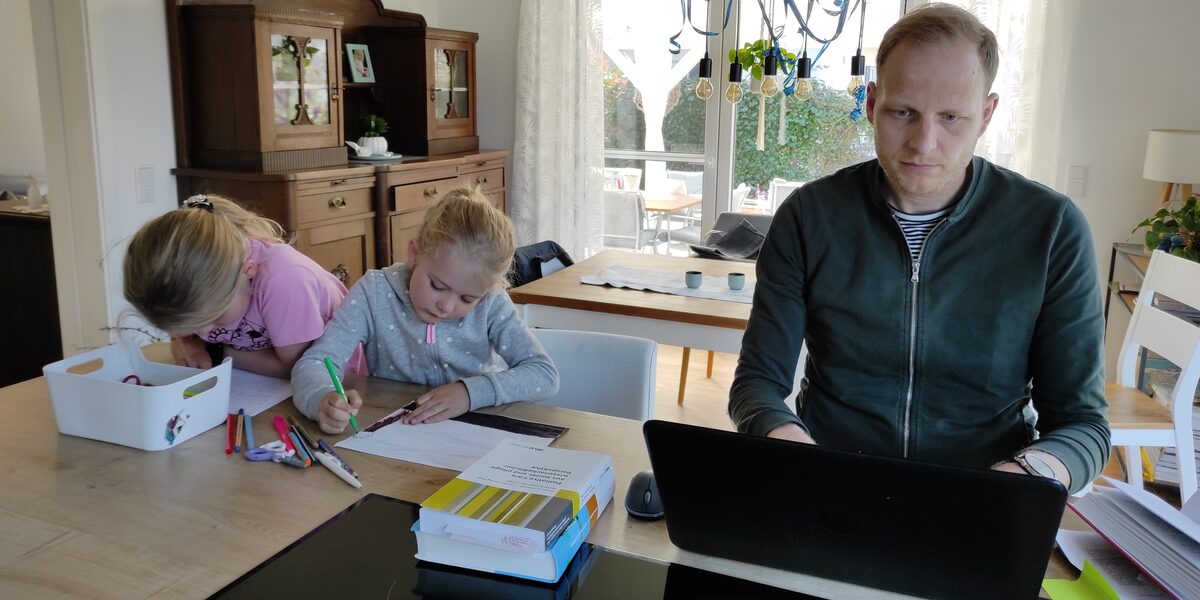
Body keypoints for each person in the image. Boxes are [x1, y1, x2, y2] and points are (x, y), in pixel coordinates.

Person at [728, 3, 1109, 494]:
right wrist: (793, 447)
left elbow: (1083, 425)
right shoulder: (808, 217)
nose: (923, 143)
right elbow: (757, 383)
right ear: (870, 104)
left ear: (986, 115)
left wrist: (1021, 480)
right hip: (832, 487)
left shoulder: (1052, 228)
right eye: (903, 111)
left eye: (951, 117)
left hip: (983, 499)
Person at [292, 188, 559, 434]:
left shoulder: (491, 302)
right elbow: (316, 362)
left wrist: (469, 393)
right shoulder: (373, 292)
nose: (447, 305)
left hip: (474, 434)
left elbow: (543, 374)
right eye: (437, 285)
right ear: (414, 254)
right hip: (395, 434)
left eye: (467, 298)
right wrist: (320, 399)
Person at [123, 194, 348, 378]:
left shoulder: (285, 280)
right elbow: (181, 332)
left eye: (214, 318)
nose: (204, 333)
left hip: (348, 385)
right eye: (193, 327)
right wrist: (187, 344)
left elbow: (298, 368)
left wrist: (216, 352)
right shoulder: (193, 291)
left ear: (246, 272)